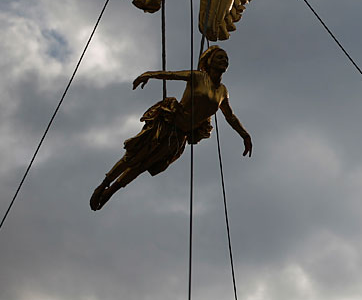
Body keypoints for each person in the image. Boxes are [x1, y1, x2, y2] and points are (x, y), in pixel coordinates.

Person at [90, 45, 251, 211]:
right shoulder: (197, 76)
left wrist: (245, 135)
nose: (224, 60)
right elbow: (171, 75)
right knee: (135, 157)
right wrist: (149, 74)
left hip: (179, 137)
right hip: (168, 123)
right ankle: (103, 185)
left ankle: (111, 192)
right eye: (220, 57)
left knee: (143, 165)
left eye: (226, 58)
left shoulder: (223, 92)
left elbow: (230, 116)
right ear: (209, 61)